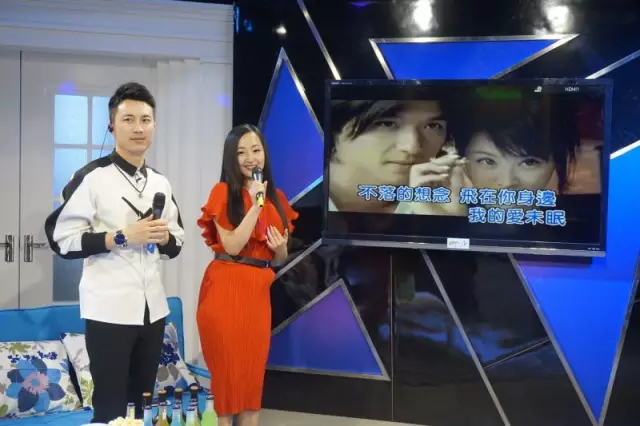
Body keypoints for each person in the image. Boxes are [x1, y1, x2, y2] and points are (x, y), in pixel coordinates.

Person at [44, 82, 185, 423]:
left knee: (143, 406)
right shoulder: (92, 177)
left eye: (146, 120)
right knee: (109, 408)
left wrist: (162, 236)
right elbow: (60, 238)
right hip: (108, 310)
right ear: (112, 126)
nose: (138, 128)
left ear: (154, 125)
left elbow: (177, 243)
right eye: (129, 119)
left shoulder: (160, 182)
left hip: (153, 310)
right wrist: (122, 236)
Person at [196, 124, 298, 426]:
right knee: (227, 384)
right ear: (231, 158)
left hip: (257, 294)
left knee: (252, 381)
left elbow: (279, 258)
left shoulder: (277, 197)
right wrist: (255, 206)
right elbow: (232, 245)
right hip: (225, 289)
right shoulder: (222, 193)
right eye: (241, 152)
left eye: (256, 150)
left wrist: (280, 249)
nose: (250, 158)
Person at [329, 100, 464, 214]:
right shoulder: (317, 198)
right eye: (386, 124)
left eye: (432, 126)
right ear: (334, 130)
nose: (412, 147)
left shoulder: (448, 202)